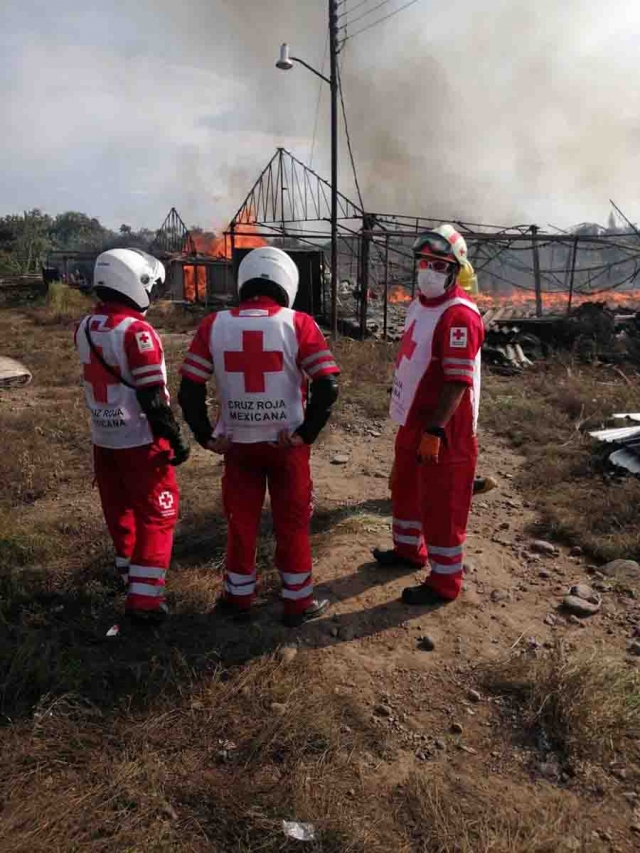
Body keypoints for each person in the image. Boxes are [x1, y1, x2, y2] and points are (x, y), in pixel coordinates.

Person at [178, 246, 339, 627]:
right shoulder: (299, 323)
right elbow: (327, 385)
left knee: (240, 521)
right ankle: (298, 603)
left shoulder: (213, 325)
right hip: (287, 447)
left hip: (236, 446)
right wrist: (305, 434)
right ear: (287, 282)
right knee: (293, 523)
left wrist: (204, 435)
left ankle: (237, 597)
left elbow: (189, 387)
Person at [74, 249, 190, 622]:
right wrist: (174, 437)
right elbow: (152, 395)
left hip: (103, 437)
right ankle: (145, 601)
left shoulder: (84, 326)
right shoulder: (138, 331)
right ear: (134, 282)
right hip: (139, 438)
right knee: (159, 515)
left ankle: (128, 574)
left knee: (119, 511)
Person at [373, 225, 485, 604]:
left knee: (442, 504)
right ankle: (408, 552)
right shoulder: (420, 303)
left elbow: (457, 382)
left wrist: (434, 430)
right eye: (424, 262)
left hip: (444, 428)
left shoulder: (460, 317)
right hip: (413, 418)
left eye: (439, 264)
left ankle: (444, 582)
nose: (429, 270)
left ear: (456, 270)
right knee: (404, 488)